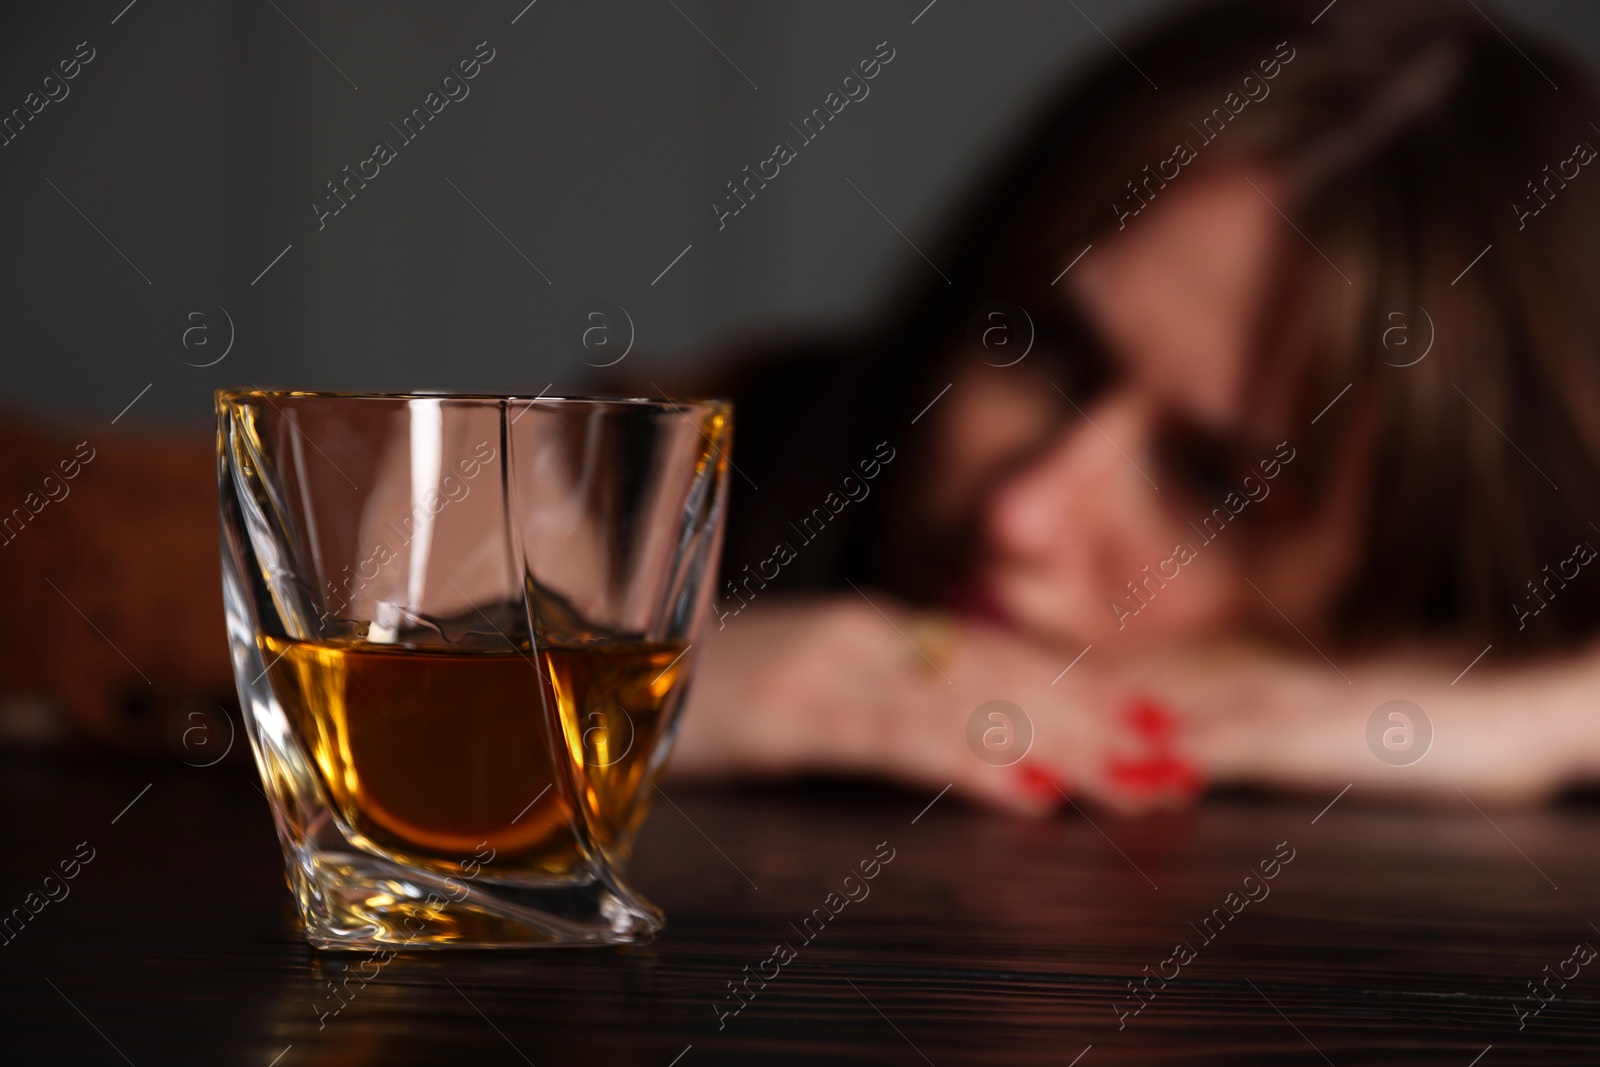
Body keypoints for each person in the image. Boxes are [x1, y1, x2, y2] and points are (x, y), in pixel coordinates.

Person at [4, 0, 1599, 817]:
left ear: (1430, 560)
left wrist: (1501, 719)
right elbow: (46, 545)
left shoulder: (1501, 640)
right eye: (1038, 345)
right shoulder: (743, 450)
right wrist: (610, 693)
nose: (1026, 508)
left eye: (1220, 484)